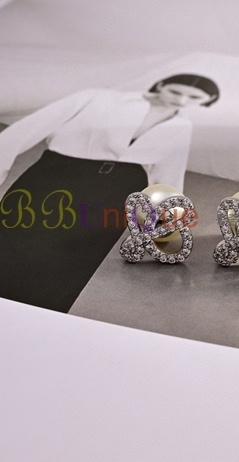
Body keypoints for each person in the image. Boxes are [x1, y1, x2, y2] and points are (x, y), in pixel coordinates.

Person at [0, 74, 220, 312]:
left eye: (194, 98)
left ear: (207, 102)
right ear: (161, 85)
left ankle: (39, 317)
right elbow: (24, 130)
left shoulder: (182, 126)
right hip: (59, 175)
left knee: (75, 258)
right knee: (15, 239)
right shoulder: (97, 97)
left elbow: (169, 172)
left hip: (117, 188)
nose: (182, 100)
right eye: (175, 92)